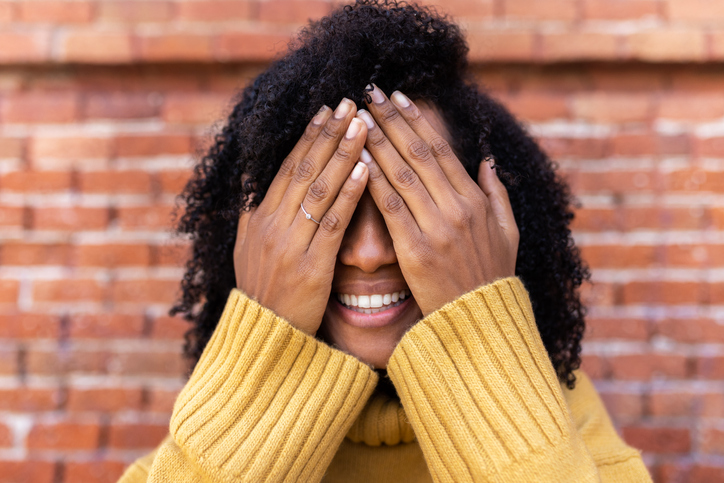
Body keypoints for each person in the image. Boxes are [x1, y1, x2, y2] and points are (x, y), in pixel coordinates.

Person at [119, 0, 652, 481]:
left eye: (413, 202)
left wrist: (481, 326)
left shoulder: (565, 418)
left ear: (484, 220)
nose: (369, 254)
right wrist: (263, 341)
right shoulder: (197, 437)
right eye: (332, 210)